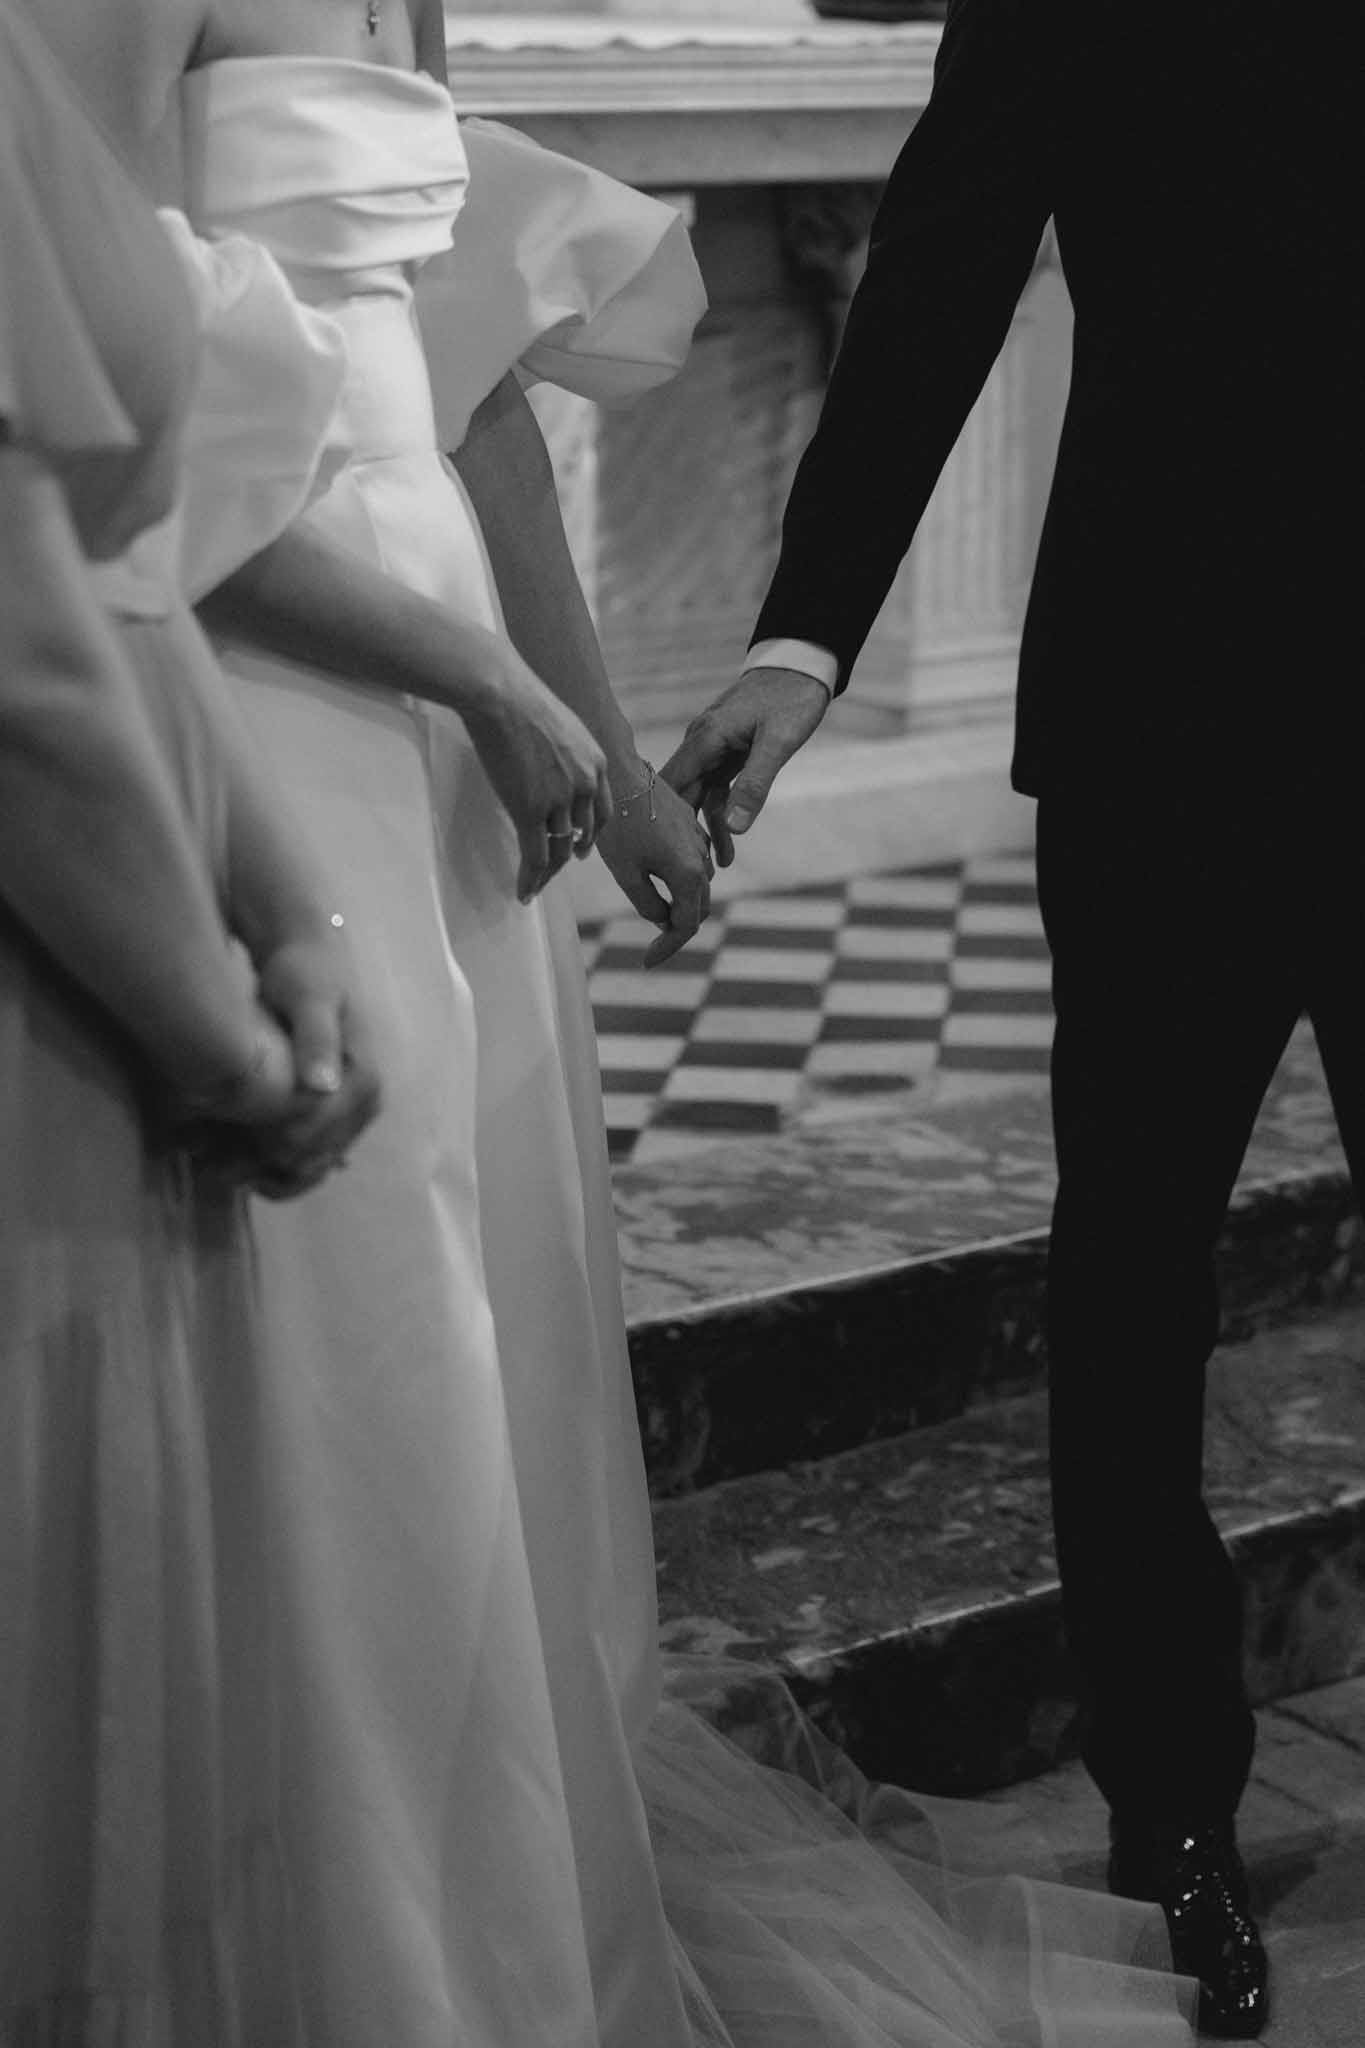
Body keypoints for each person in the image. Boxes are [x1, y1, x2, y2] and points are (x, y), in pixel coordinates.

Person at [154, 5, 1202, 2043]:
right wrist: (577, 667)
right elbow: (137, 453)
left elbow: (458, 372)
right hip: (266, 707)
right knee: (348, 1356)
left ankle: (480, 1911)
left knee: (489, 1353)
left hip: (455, 742)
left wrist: (596, 742)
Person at [665, 1, 1364, 2034]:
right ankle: (1174, 1823)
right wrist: (806, 631)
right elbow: (946, 250)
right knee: (1126, 1271)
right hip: (1168, 701)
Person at [0, 3, 383, 2032]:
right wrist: (216, 1036)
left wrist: (283, 899)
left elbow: (111, 569)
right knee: (71, 1670)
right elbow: (23, 662)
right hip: (54, 1001)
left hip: (130, 923)